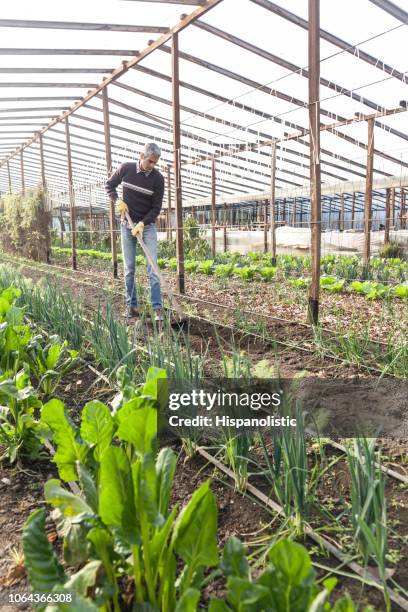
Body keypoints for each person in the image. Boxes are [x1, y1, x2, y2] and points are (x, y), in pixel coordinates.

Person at [105, 142, 165, 321]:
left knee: (153, 267)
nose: (152, 165)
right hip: (126, 225)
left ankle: (157, 309)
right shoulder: (126, 169)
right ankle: (132, 306)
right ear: (141, 156)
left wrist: (143, 223)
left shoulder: (158, 179)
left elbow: (156, 208)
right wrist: (117, 201)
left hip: (147, 227)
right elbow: (109, 186)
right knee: (129, 268)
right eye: (150, 161)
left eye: (155, 163)